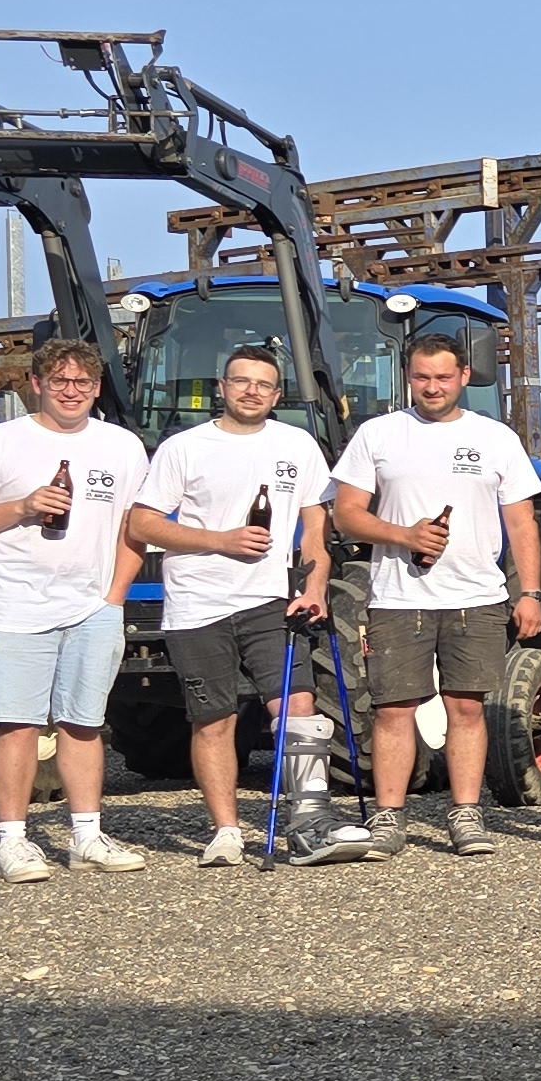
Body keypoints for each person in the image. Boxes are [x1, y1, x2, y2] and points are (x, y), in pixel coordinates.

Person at [0, 335, 152, 880]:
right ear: (36, 384)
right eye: (59, 381)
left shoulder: (122, 446)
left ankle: (87, 835)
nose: (71, 391)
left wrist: (115, 597)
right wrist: (21, 506)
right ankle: (12, 841)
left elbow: (136, 527)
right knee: (17, 725)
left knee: (84, 724)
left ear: (97, 388)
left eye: (82, 382)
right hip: (17, 604)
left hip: (92, 606)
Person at [329, 332, 541, 858]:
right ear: (409, 377)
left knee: (466, 709)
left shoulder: (496, 438)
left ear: (464, 378)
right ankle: (388, 818)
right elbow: (346, 513)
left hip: (476, 594)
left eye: (443, 377)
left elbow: (521, 522)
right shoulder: (378, 435)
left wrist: (531, 591)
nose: (432, 386)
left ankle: (466, 814)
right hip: (398, 597)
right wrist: (404, 535)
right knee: (393, 710)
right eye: (422, 377)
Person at [123, 339, 338, 867]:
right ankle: (225, 831)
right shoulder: (184, 447)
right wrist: (221, 540)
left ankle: (310, 821)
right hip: (197, 604)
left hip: (271, 600)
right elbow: (143, 523)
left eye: (263, 384)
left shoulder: (299, 445)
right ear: (222, 388)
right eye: (241, 381)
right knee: (212, 719)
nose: (252, 391)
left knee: (298, 709)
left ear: (277, 393)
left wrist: (315, 586)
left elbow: (316, 529)